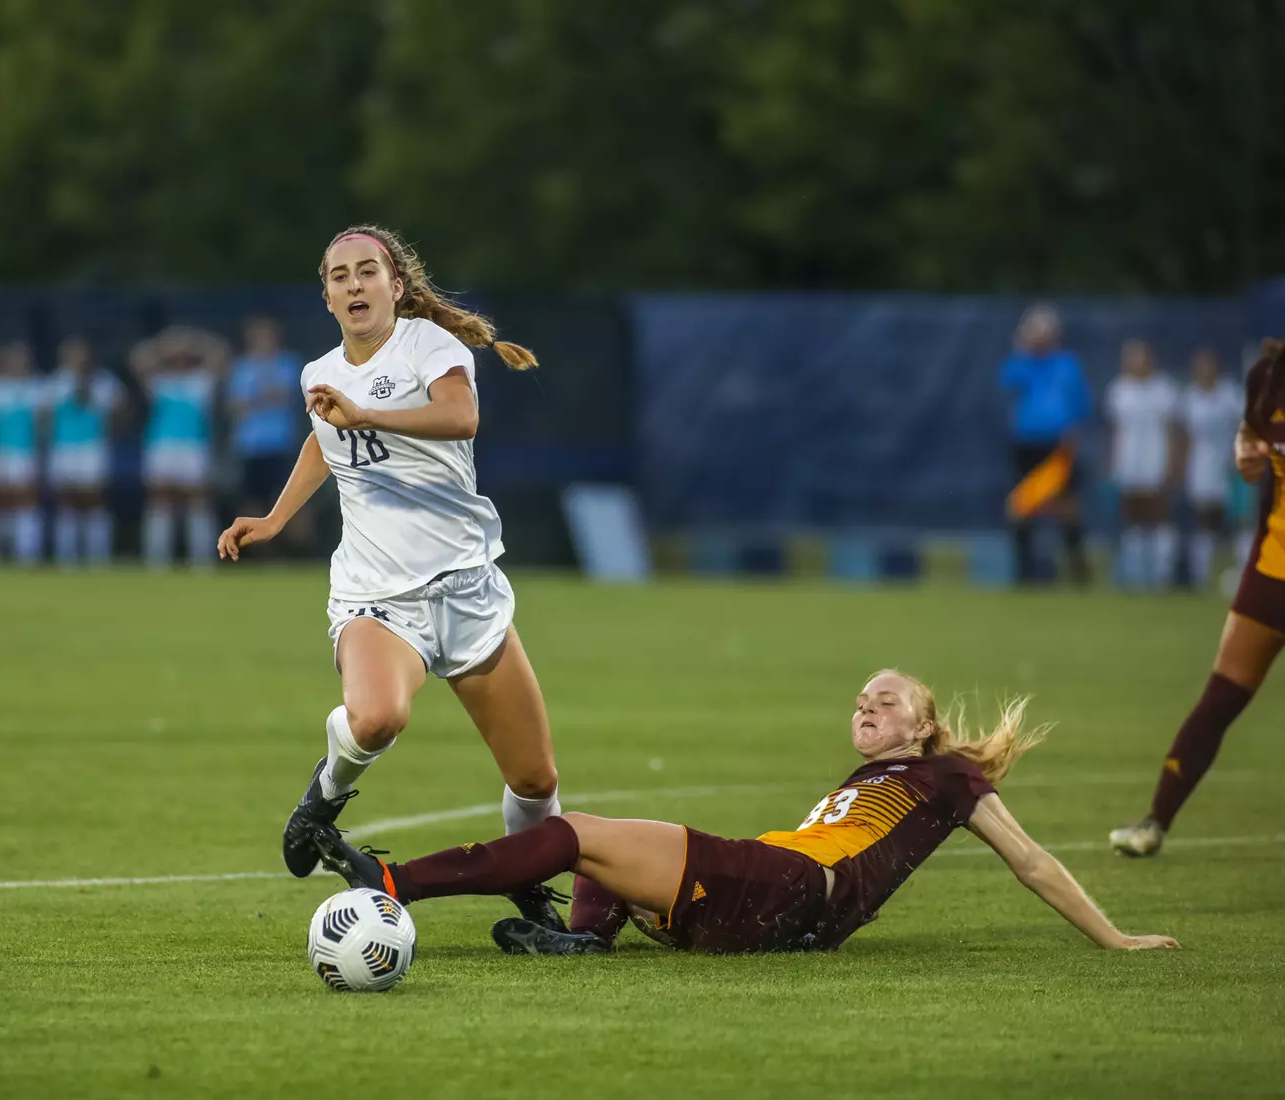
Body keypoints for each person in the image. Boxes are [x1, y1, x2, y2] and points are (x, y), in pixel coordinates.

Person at [312, 670, 1179, 956]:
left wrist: (1117, 938)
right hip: (780, 898)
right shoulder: (877, 778)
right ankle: (584, 937)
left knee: (576, 835)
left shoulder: (945, 777)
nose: (869, 705)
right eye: (862, 699)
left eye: (888, 699)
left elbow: (1029, 859)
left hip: (791, 890)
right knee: (591, 848)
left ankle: (390, 880)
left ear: (924, 725)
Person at [217, 224, 566, 930]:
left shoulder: (427, 346)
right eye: (339, 275)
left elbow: (461, 416)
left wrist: (368, 412)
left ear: (395, 285)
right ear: (326, 295)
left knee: (535, 780)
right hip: (376, 592)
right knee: (378, 716)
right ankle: (323, 800)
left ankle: (531, 892)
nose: (354, 284)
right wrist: (278, 518)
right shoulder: (319, 372)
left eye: (366, 271)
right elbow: (328, 443)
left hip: (467, 589)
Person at [1111, 339, 1285, 857]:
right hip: (1270, 574)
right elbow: (1252, 433)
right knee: (1220, 700)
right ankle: (1154, 822)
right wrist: (1245, 448)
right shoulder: (1268, 377)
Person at [1000, 305, 1093, 584]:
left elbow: (1080, 404)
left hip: (1057, 445)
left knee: (1067, 506)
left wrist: (1072, 437)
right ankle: (1023, 573)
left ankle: (1078, 572)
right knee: (1023, 506)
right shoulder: (1023, 364)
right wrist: (1021, 346)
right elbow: (1007, 380)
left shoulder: (1067, 364)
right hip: (1027, 444)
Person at [141, 327, 219, 569]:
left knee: (198, 501)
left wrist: (194, 340)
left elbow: (221, 354)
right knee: (160, 501)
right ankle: (157, 560)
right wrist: (164, 343)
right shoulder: (160, 381)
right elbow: (138, 359)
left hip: (194, 446)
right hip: (161, 445)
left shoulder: (201, 380)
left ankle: (202, 560)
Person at [1105, 339, 1180, 589]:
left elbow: (1171, 430)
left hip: (1154, 458)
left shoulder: (1163, 389)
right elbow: (1116, 430)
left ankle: (1162, 573)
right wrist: (1113, 462)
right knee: (1132, 514)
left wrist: (1171, 462)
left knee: (1157, 513)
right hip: (1129, 460)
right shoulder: (1119, 390)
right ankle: (1136, 574)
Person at [227, 315, 306, 547]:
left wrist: (252, 400)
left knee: (288, 502)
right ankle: (259, 553)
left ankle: (296, 552)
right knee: (251, 503)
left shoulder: (288, 363)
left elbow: (282, 395)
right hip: (249, 445)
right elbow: (234, 406)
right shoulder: (242, 367)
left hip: (280, 443)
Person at [46, 335, 122, 568]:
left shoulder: (105, 383)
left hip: (93, 446)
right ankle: (66, 559)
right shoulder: (57, 383)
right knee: (67, 502)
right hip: (64, 447)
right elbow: (44, 416)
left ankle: (98, 558)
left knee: (95, 500)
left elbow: (120, 414)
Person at [1180, 348, 1247, 589]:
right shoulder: (1190, 397)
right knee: (1206, 518)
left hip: (1228, 461)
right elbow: (1185, 435)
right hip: (1201, 463)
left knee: (1240, 518)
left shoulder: (1230, 394)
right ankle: (1202, 575)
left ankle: (1244, 573)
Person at [0, 340, 47, 565]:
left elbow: (45, 423)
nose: (19, 363)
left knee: (26, 500)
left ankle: (27, 553)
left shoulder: (38, 388)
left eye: (23, 359)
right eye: (15, 358)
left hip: (26, 452)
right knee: (1, 500)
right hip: (2, 452)